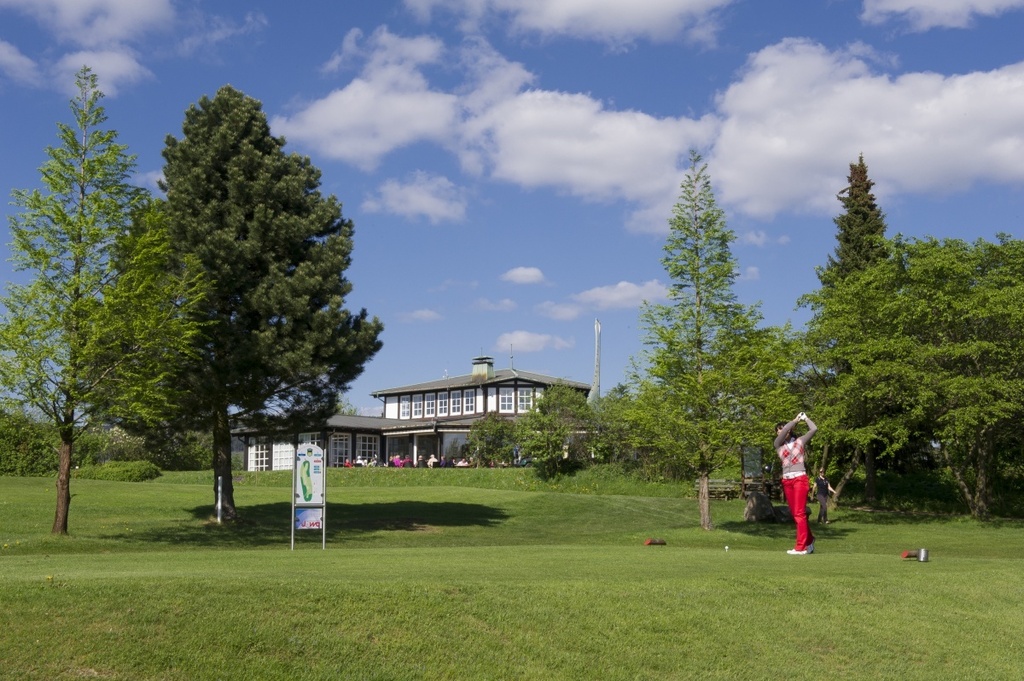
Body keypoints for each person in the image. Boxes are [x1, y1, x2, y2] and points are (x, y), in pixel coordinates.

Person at [774, 412, 817, 555]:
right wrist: (795, 420)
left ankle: (801, 547)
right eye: (779, 430)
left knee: (799, 513)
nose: (781, 431)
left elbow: (814, 429)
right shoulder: (778, 444)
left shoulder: (800, 441)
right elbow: (785, 431)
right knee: (795, 514)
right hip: (787, 480)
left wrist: (805, 419)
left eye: (783, 429)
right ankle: (810, 541)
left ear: (790, 430)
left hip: (799, 478)